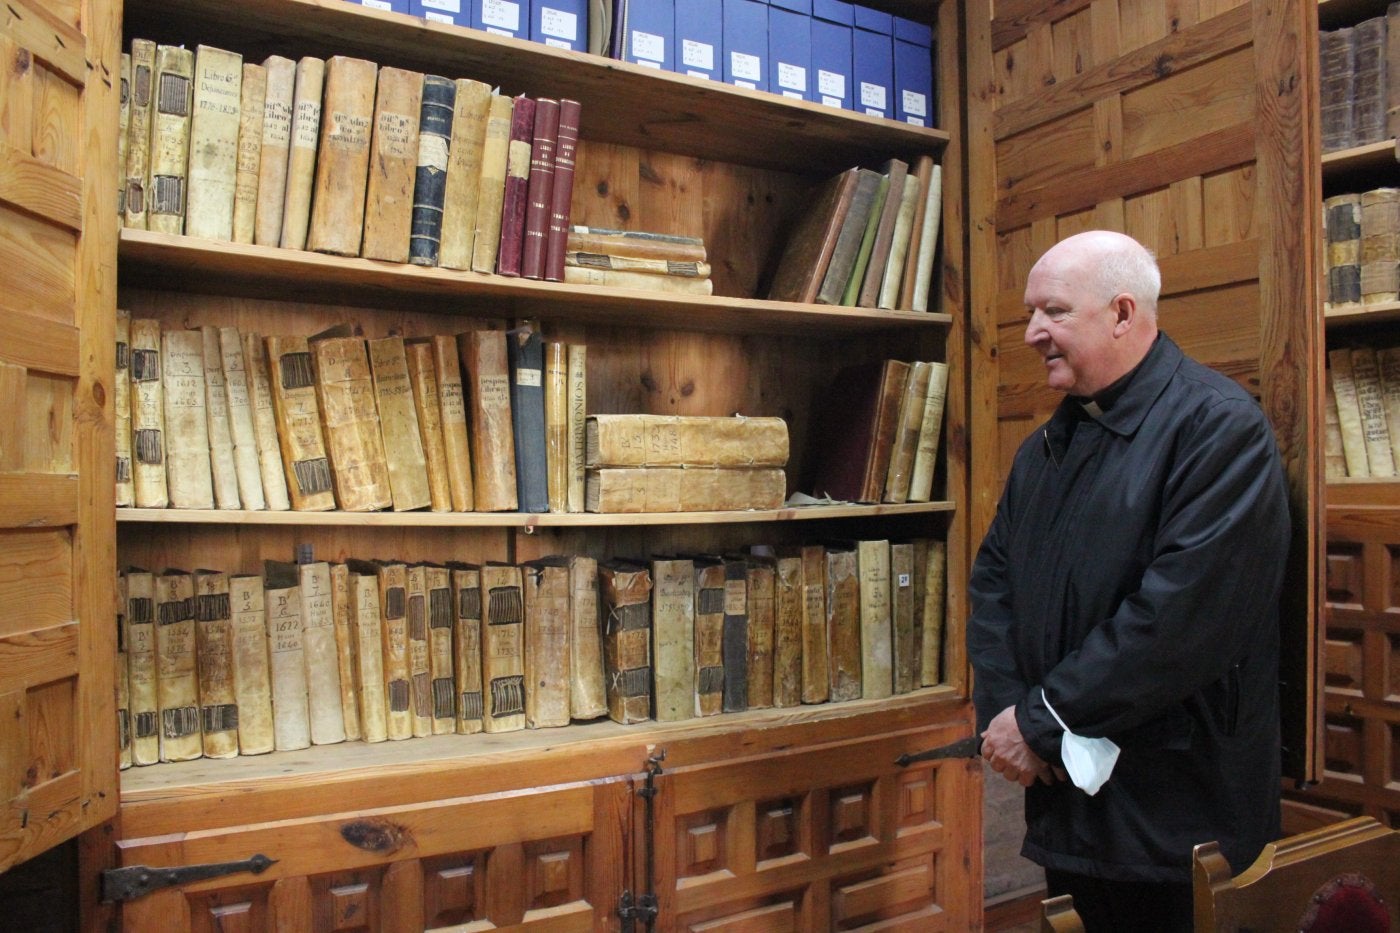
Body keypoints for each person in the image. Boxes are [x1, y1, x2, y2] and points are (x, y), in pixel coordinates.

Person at [967, 230, 1291, 932]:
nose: (1031, 333)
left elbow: (1178, 620)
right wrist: (1008, 717)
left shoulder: (1219, 429)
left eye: (1053, 312)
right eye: (1030, 313)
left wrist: (1042, 719)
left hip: (1176, 818)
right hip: (1068, 803)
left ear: (1121, 312)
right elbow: (993, 582)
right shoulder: (1044, 447)